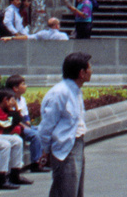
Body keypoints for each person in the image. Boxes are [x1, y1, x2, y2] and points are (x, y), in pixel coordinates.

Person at [37, 52, 90, 197]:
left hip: (76, 143)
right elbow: (46, 127)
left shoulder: (75, 91)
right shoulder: (60, 93)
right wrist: (46, 151)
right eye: (89, 68)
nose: (91, 71)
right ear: (81, 73)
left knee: (74, 190)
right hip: (65, 149)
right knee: (66, 190)